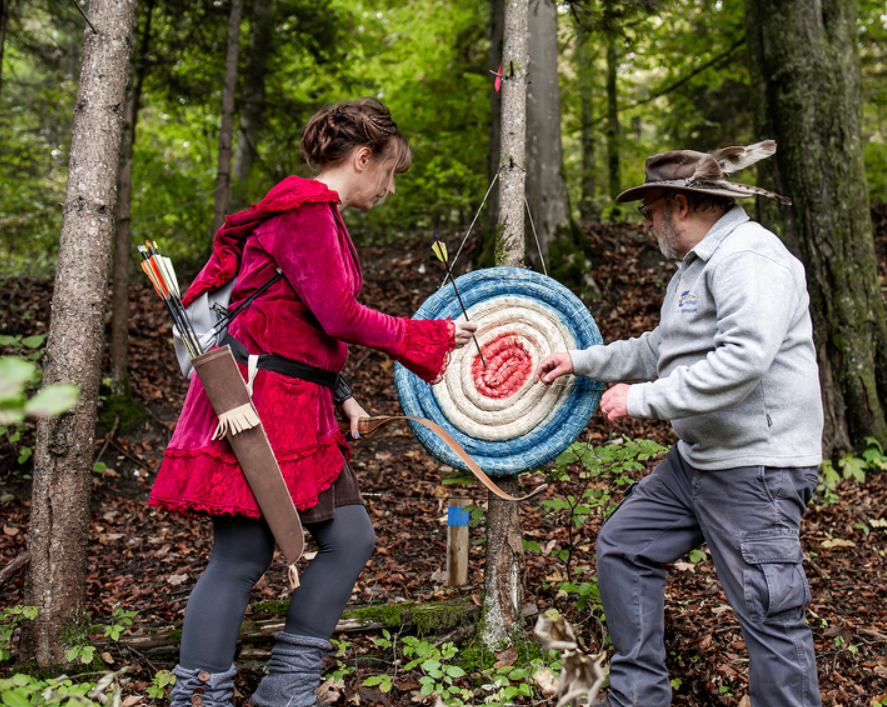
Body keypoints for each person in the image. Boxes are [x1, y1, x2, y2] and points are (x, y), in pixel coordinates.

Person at [150, 97, 478, 707]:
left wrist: (343, 392)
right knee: (241, 556)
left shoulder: (314, 214)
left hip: (300, 404)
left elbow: (296, 322)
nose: (390, 186)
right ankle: (199, 698)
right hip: (260, 405)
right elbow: (338, 315)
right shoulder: (305, 211)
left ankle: (287, 688)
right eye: (390, 170)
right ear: (362, 158)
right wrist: (424, 335)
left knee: (350, 538)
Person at [534, 141, 823, 707]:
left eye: (650, 210)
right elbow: (661, 348)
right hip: (698, 461)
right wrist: (581, 361)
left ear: (681, 205)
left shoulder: (750, 259)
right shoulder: (694, 269)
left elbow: (744, 359)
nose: (646, 223)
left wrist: (643, 400)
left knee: (769, 614)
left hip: (754, 467)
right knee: (625, 547)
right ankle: (639, 697)